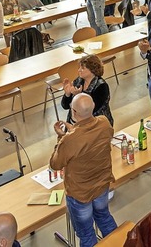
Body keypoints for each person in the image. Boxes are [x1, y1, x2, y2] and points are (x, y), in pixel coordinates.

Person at [50, 93, 118, 247]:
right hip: (101, 185)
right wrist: (74, 130)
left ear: (74, 113)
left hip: (80, 194)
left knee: (87, 234)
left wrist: (61, 138)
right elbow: (90, 137)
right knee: (104, 218)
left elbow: (55, 164)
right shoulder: (104, 122)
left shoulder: (69, 140)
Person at [61, 54, 113, 125]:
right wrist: (67, 94)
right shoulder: (78, 81)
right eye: (79, 67)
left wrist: (78, 96)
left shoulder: (101, 86)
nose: (79, 70)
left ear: (92, 70)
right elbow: (65, 106)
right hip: (75, 123)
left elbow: (89, 111)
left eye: (82, 68)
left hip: (95, 125)